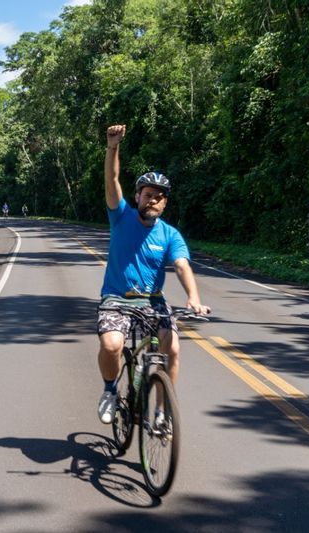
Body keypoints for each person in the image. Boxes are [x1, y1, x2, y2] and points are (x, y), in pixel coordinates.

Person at [97, 124, 210, 426]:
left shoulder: (170, 234)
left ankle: (161, 412)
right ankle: (109, 389)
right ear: (137, 197)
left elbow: (183, 266)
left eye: (160, 197)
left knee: (172, 346)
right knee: (111, 345)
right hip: (116, 299)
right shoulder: (121, 216)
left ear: (165, 202)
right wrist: (113, 147)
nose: (154, 200)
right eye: (148, 194)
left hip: (153, 302)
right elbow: (112, 179)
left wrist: (193, 297)